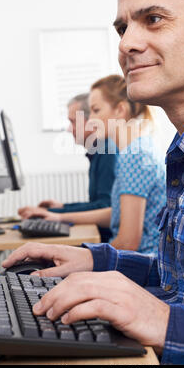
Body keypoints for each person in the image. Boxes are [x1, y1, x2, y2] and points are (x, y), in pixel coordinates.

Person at [2, 0, 184, 364]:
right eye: (122, 28)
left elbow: (176, 307)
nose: (127, 44)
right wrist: (98, 261)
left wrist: (164, 321)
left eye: (153, 19)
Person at [20, 74, 166, 254]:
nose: (89, 120)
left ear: (120, 110)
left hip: (141, 264)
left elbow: (128, 244)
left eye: (96, 110)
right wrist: (58, 217)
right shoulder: (138, 148)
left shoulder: (134, 156)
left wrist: (80, 256)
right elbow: (117, 212)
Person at [18, 93, 117, 242]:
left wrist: (51, 212)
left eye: (73, 122)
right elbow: (99, 204)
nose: (69, 130)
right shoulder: (99, 151)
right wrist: (62, 206)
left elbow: (105, 206)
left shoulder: (108, 151)